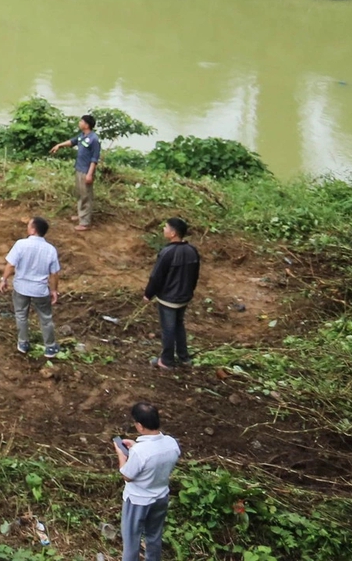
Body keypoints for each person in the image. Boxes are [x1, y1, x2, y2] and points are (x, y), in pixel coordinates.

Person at [114, 402, 180, 561]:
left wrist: (121, 456)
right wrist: (136, 447)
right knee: (154, 537)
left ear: (140, 426)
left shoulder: (140, 452)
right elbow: (155, 459)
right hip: (161, 497)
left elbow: (127, 475)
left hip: (138, 500)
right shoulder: (171, 443)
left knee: (131, 541)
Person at [0, 215, 61, 358]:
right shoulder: (50, 249)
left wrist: (4, 279)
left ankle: (23, 343)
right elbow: (54, 273)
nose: (27, 227)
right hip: (40, 289)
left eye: (29, 225)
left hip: (21, 287)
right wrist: (54, 290)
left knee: (21, 315)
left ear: (33, 230)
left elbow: (11, 264)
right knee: (45, 317)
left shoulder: (21, 244)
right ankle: (50, 347)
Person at [143, 217, 201, 370]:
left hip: (169, 299)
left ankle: (166, 360)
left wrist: (148, 294)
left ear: (173, 233)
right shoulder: (192, 251)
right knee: (179, 326)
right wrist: (189, 292)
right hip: (184, 298)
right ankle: (184, 357)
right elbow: (195, 276)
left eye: (166, 227)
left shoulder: (167, 252)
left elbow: (156, 276)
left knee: (168, 329)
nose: (164, 230)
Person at [48, 113, 102, 230]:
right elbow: (72, 142)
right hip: (79, 168)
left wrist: (89, 174)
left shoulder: (94, 140)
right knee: (80, 193)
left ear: (86, 125)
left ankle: (85, 223)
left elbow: (94, 159)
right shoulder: (82, 136)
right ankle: (81, 215)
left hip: (86, 171)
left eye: (81, 121)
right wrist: (59, 145)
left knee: (86, 195)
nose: (79, 123)